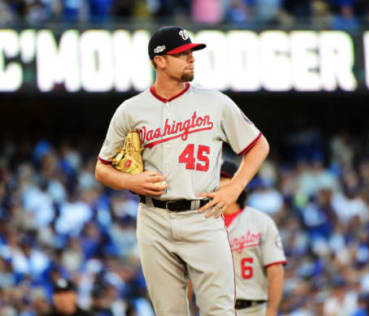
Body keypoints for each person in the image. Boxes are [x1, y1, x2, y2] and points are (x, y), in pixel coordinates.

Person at [95, 26, 270, 316]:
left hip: (204, 216)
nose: (191, 58)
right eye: (181, 54)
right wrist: (129, 180)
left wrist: (235, 186)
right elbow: (102, 169)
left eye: (191, 53)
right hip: (154, 219)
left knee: (220, 311)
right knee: (169, 312)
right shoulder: (131, 110)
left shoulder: (215, 102)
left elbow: (258, 146)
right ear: (159, 61)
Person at [219, 160, 286, 316]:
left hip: (254, 309)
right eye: (216, 179)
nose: (220, 184)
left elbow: (275, 270)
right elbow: (190, 277)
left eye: (224, 179)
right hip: (214, 309)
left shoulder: (261, 221)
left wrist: (272, 310)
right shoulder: (202, 225)